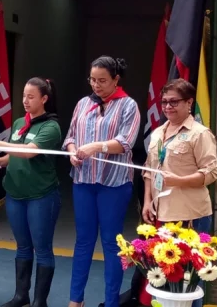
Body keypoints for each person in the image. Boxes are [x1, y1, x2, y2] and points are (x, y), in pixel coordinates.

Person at [0, 77, 62, 307]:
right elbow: (14, 154)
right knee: (23, 246)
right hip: (15, 194)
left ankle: (39, 301)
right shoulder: (18, 124)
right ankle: (20, 296)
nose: (25, 100)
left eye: (31, 96)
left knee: (42, 248)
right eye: (24, 95)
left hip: (41, 196)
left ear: (44, 99)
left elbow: (28, 152)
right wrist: (0, 162)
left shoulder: (51, 127)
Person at [64, 56, 141, 307]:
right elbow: (70, 137)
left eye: (102, 81)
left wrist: (96, 146)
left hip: (114, 185)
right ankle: (76, 300)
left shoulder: (129, 106)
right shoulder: (83, 104)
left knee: (111, 242)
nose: (96, 85)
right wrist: (74, 151)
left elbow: (126, 143)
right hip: (84, 180)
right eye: (92, 80)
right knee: (83, 241)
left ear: (116, 79)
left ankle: (111, 302)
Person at [142, 78, 217, 307]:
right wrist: (147, 202)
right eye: (164, 102)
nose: (167, 107)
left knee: (193, 276)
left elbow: (211, 173)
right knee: (165, 272)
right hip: (163, 214)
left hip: (191, 215)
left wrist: (179, 180)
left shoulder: (199, 133)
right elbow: (148, 171)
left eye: (174, 102)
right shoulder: (157, 133)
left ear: (189, 103)